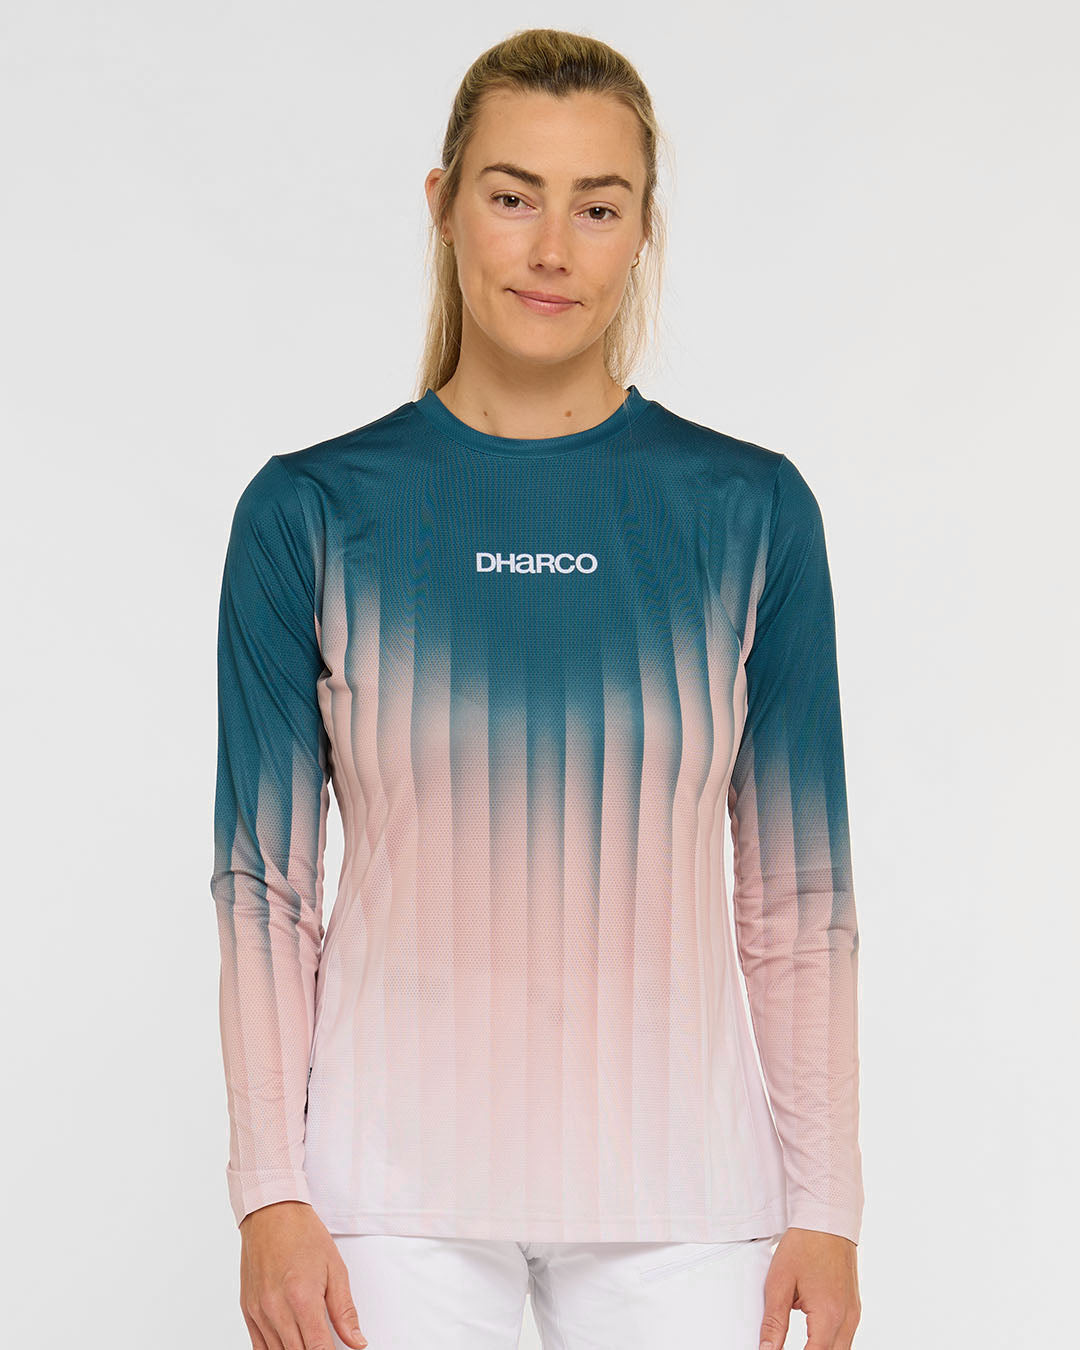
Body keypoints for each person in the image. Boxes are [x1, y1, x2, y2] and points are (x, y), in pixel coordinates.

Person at [210, 26, 864, 1350]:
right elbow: (265, 886)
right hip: (383, 1200)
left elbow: (800, 898)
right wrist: (268, 1191)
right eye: (514, 196)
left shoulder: (749, 512)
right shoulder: (314, 512)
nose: (553, 248)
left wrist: (828, 1203)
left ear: (643, 229)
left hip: (686, 1199)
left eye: (598, 206)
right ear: (445, 204)